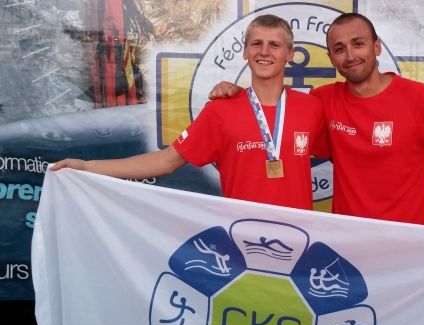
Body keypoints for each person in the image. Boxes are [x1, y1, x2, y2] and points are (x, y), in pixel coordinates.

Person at [209, 12, 424, 237]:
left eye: (358, 44)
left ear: (376, 46)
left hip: (405, 248)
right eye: (339, 49)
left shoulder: (418, 99)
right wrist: (235, 93)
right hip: (347, 248)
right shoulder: (323, 101)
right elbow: (271, 114)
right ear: (332, 58)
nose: (350, 55)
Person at [52, 14, 328, 210]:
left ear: (289, 54)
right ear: (245, 51)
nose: (264, 52)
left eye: (275, 45)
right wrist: (87, 167)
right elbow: (166, 161)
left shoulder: (312, 108)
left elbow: (348, 147)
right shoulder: (221, 109)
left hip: (301, 240)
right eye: (256, 44)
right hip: (241, 238)